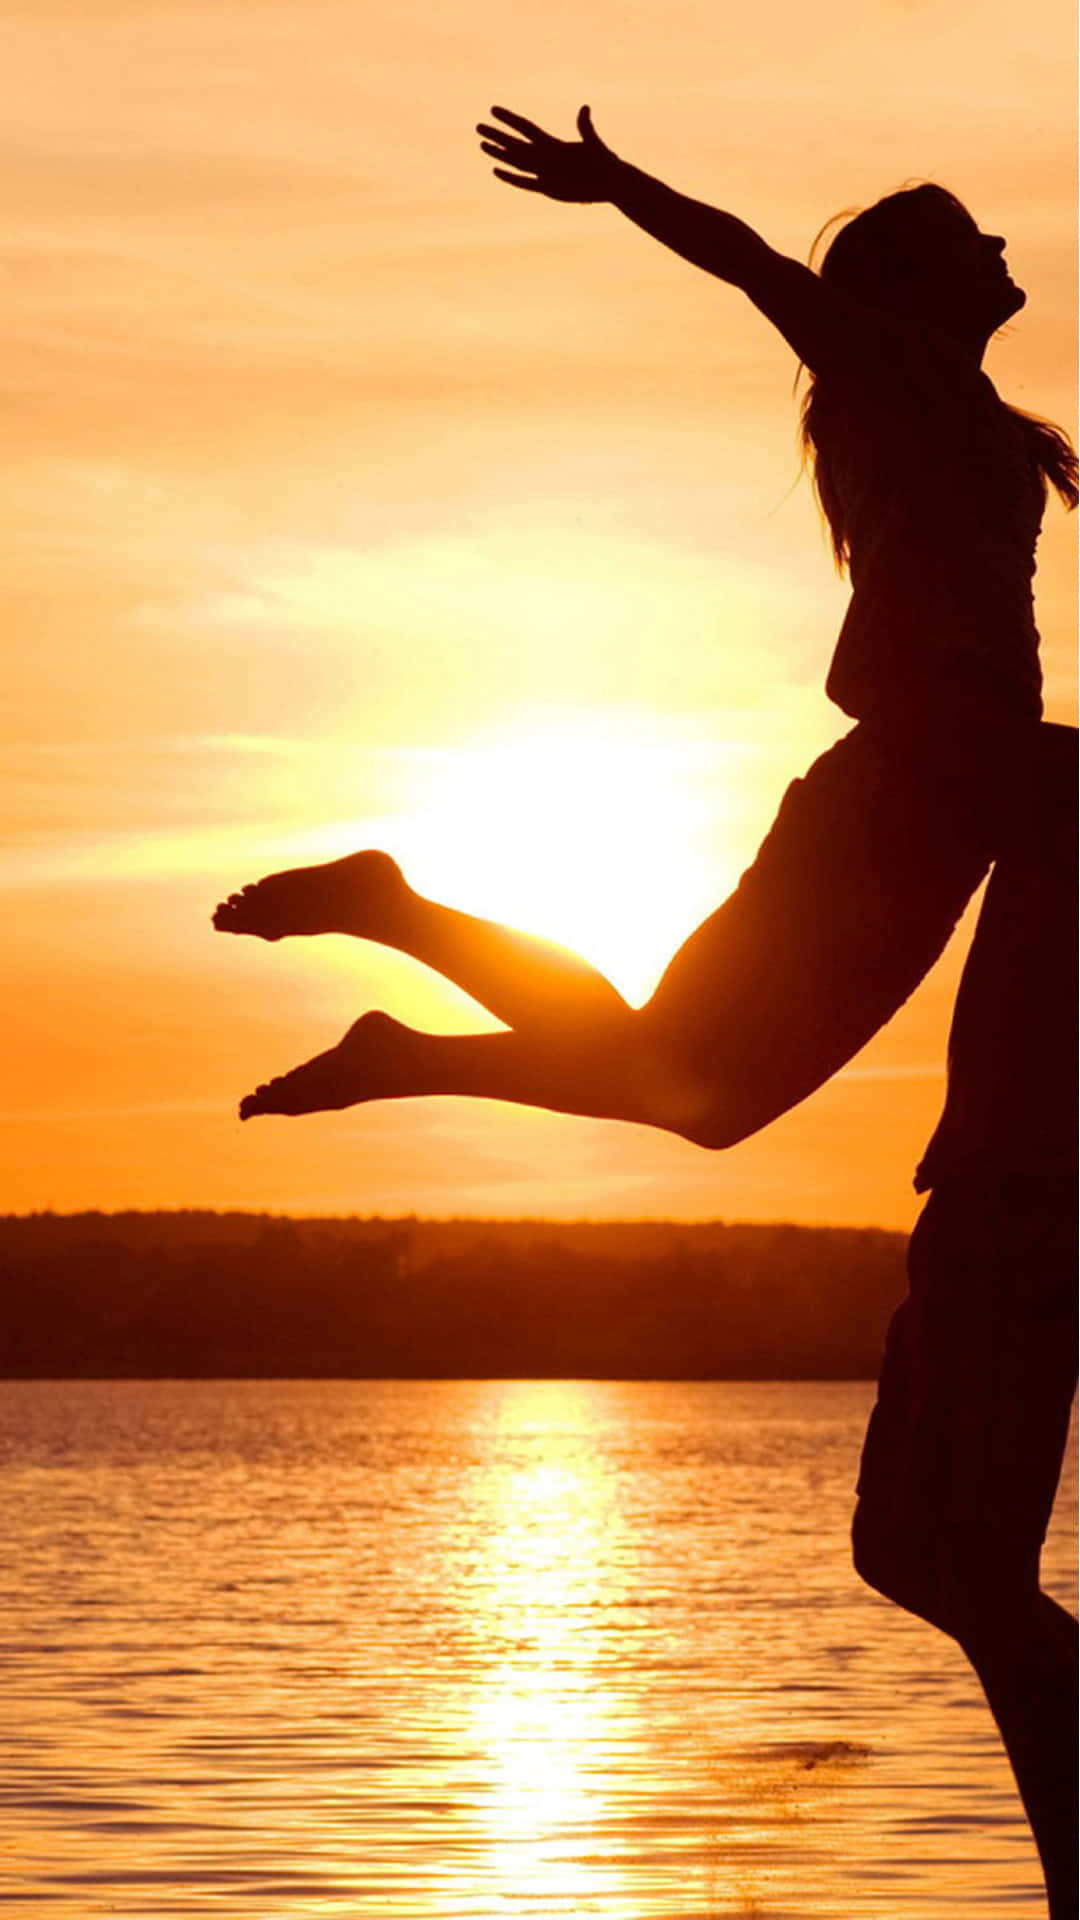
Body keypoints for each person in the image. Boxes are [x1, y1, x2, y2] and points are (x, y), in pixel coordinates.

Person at [213, 105, 1076, 1162]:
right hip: (919, 775)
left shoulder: (954, 407)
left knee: (699, 1091)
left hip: (943, 786)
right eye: (969, 239)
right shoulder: (897, 378)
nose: (997, 246)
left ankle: (399, 992)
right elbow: (756, 266)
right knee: (698, 1078)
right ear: (913, 284)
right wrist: (621, 186)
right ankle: (1001, 1122)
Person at [853, 720, 1077, 1919]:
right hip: (997, 1191)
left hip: (1029, 1201)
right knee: (908, 1550)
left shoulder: (1053, 779)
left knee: (965, 1567)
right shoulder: (1047, 775)